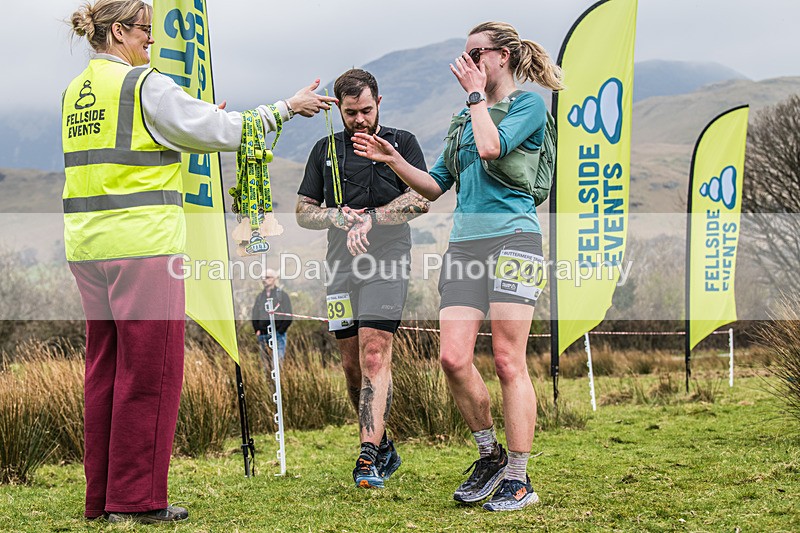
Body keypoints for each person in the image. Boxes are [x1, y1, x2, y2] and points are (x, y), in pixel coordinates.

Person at [64, 0, 335, 523]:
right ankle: (137, 501)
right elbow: (226, 131)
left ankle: (101, 499)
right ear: (118, 31)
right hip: (143, 247)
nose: (151, 40)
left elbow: (146, 144)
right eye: (144, 30)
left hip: (87, 247)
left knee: (104, 371)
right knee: (152, 373)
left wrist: (196, 121)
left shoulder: (73, 92)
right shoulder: (144, 84)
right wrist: (287, 106)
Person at [353, 22, 563, 511]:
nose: (467, 64)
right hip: (465, 247)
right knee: (452, 358)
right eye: (464, 56)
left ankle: (519, 479)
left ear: (503, 56)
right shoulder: (463, 119)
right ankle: (490, 455)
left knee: (508, 360)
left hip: (515, 239)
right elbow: (434, 186)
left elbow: (492, 148)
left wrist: (475, 97)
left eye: (476, 54)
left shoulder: (529, 106)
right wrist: (393, 160)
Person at [295, 68, 430, 489]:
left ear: (379, 103)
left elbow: (422, 198)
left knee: (374, 355)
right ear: (339, 109)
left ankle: (367, 457)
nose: (360, 120)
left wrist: (373, 218)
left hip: (388, 262)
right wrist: (336, 216)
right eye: (351, 113)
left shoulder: (402, 143)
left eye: (367, 111)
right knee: (352, 367)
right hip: (340, 267)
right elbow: (303, 211)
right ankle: (383, 444)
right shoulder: (324, 150)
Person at [252, 268, 293, 364]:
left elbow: (288, 315)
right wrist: (257, 329)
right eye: (263, 278)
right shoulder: (260, 297)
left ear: (274, 279)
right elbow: (255, 314)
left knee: (277, 363)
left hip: (278, 335)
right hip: (263, 335)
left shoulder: (282, 295)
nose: (264, 280)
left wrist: (281, 331)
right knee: (265, 365)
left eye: (267, 277)